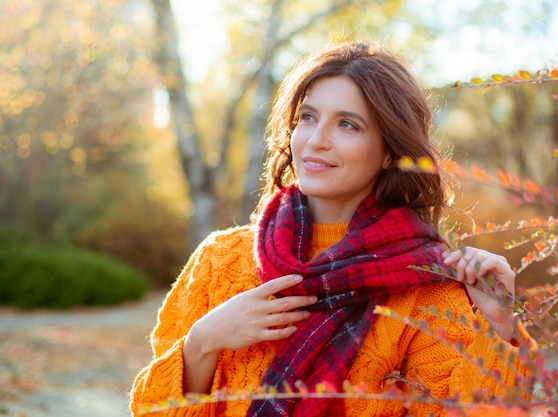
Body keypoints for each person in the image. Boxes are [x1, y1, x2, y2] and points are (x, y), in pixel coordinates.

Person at [130, 40, 536, 417]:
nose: (317, 140)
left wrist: (497, 324)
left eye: (348, 125)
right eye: (307, 117)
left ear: (388, 151)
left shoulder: (425, 289)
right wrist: (203, 342)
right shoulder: (219, 262)